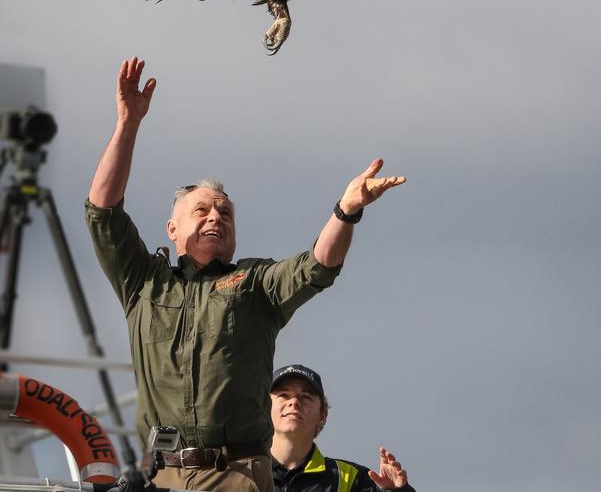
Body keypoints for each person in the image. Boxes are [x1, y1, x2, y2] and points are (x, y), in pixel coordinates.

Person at [86, 57, 406, 492]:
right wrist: (128, 123)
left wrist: (346, 211)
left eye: (225, 212)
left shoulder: (255, 284)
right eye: (201, 210)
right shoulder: (143, 283)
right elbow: (103, 211)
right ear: (172, 229)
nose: (215, 217)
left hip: (235, 474)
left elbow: (319, 265)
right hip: (159, 476)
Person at [270, 365, 415, 491]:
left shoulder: (353, 479)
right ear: (264, 409)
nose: (294, 402)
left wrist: (396, 491)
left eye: (306, 396)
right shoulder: (247, 470)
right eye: (284, 395)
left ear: (322, 415)